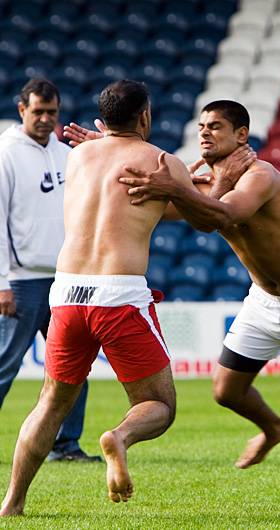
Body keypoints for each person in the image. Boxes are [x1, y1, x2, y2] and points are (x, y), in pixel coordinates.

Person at [0, 80, 255, 517]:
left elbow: (137, 190)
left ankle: (11, 503)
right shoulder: (160, 161)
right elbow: (207, 218)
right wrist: (222, 180)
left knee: (49, 403)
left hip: (65, 292)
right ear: (144, 117)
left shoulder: (77, 156)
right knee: (158, 405)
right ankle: (118, 437)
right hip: (118, 296)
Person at [113, 99, 280, 512]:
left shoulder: (261, 176)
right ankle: (274, 427)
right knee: (225, 391)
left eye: (216, 126)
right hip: (263, 302)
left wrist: (177, 188)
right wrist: (111, 150)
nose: (204, 132)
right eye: (201, 125)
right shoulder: (203, 186)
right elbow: (162, 207)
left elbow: (224, 214)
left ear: (242, 135)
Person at [0, 78, 101, 463]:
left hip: (67, 278)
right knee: (4, 366)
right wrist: (1, 283)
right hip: (21, 281)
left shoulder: (68, 154)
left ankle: (66, 445)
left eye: (52, 112)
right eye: (38, 111)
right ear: (22, 109)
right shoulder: (6, 153)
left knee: (74, 365)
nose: (45, 119)